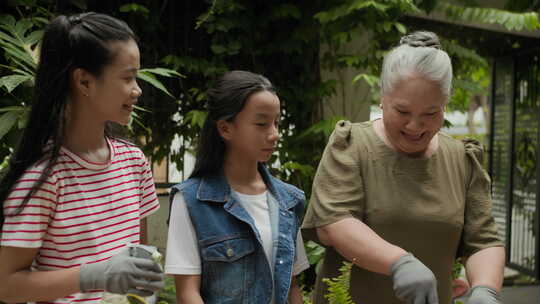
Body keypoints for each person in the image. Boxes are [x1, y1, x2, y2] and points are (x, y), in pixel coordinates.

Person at [301, 31, 505, 304]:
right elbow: (333, 223)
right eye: (403, 112)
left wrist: (485, 289)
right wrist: (398, 262)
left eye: (430, 113)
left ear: (445, 103)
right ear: (383, 97)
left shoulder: (462, 158)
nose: (415, 126)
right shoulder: (351, 146)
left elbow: (483, 241)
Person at [0, 12, 164, 304]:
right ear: (85, 82)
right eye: (128, 78)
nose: (138, 90)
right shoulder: (44, 179)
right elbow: (6, 285)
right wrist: (93, 275)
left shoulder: (134, 162)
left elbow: (139, 255)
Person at [165, 70, 310, 304]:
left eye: (276, 123)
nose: (274, 134)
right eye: (262, 124)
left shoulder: (288, 200)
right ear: (225, 129)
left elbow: (292, 288)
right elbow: (187, 294)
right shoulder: (192, 200)